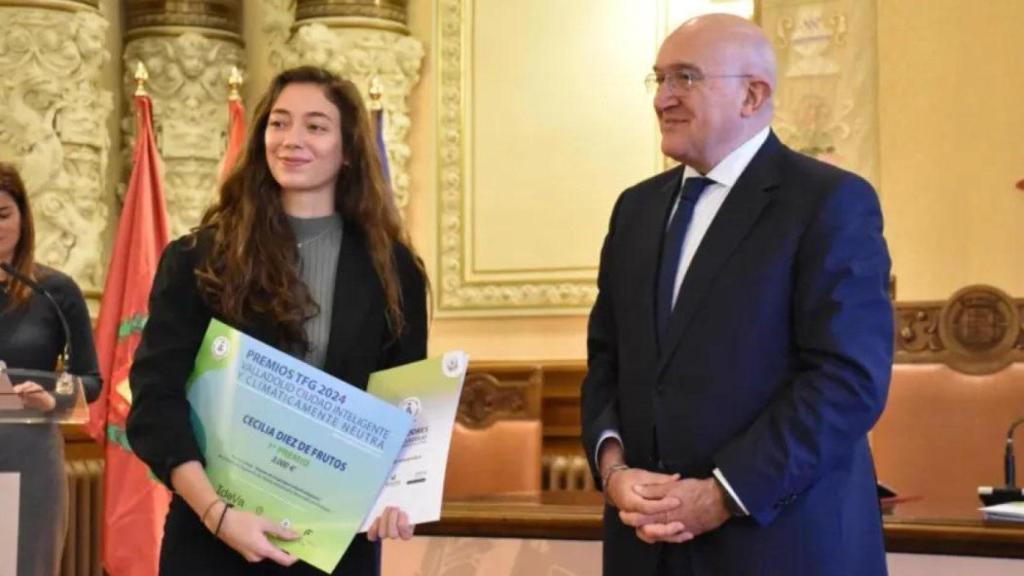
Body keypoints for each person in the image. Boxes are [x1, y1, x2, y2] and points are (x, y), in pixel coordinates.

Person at [580, 14, 893, 576]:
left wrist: (724, 493)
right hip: (644, 550)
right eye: (659, 80)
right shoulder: (635, 210)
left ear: (753, 95)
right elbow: (607, 359)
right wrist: (613, 468)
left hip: (778, 544)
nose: (663, 99)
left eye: (686, 78)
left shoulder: (827, 203)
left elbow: (847, 380)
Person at [126, 66, 428, 575]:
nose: (292, 140)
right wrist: (218, 514)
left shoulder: (393, 270)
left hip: (334, 547)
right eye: (279, 123)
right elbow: (156, 401)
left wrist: (401, 494)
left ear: (349, 148)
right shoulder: (199, 257)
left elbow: (402, 405)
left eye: (315, 126)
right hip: (211, 538)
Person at [0, 161, 102, 576]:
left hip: (29, 458)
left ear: (23, 218)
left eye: (3, 214)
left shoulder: (55, 291)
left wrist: (53, 397)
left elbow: (91, 381)